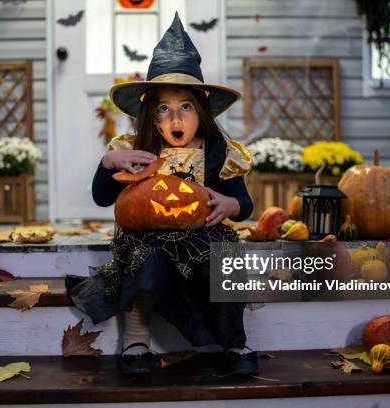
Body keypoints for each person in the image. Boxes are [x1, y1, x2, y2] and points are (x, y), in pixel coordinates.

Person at [65, 13, 257, 376]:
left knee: (226, 257)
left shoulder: (218, 152)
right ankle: (136, 338)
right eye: (164, 110)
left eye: (185, 107)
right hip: (148, 235)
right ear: (151, 118)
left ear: (201, 113)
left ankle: (235, 340)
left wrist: (232, 204)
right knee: (142, 256)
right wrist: (108, 162)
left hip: (204, 234)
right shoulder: (135, 151)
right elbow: (102, 198)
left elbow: (244, 204)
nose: (175, 119)